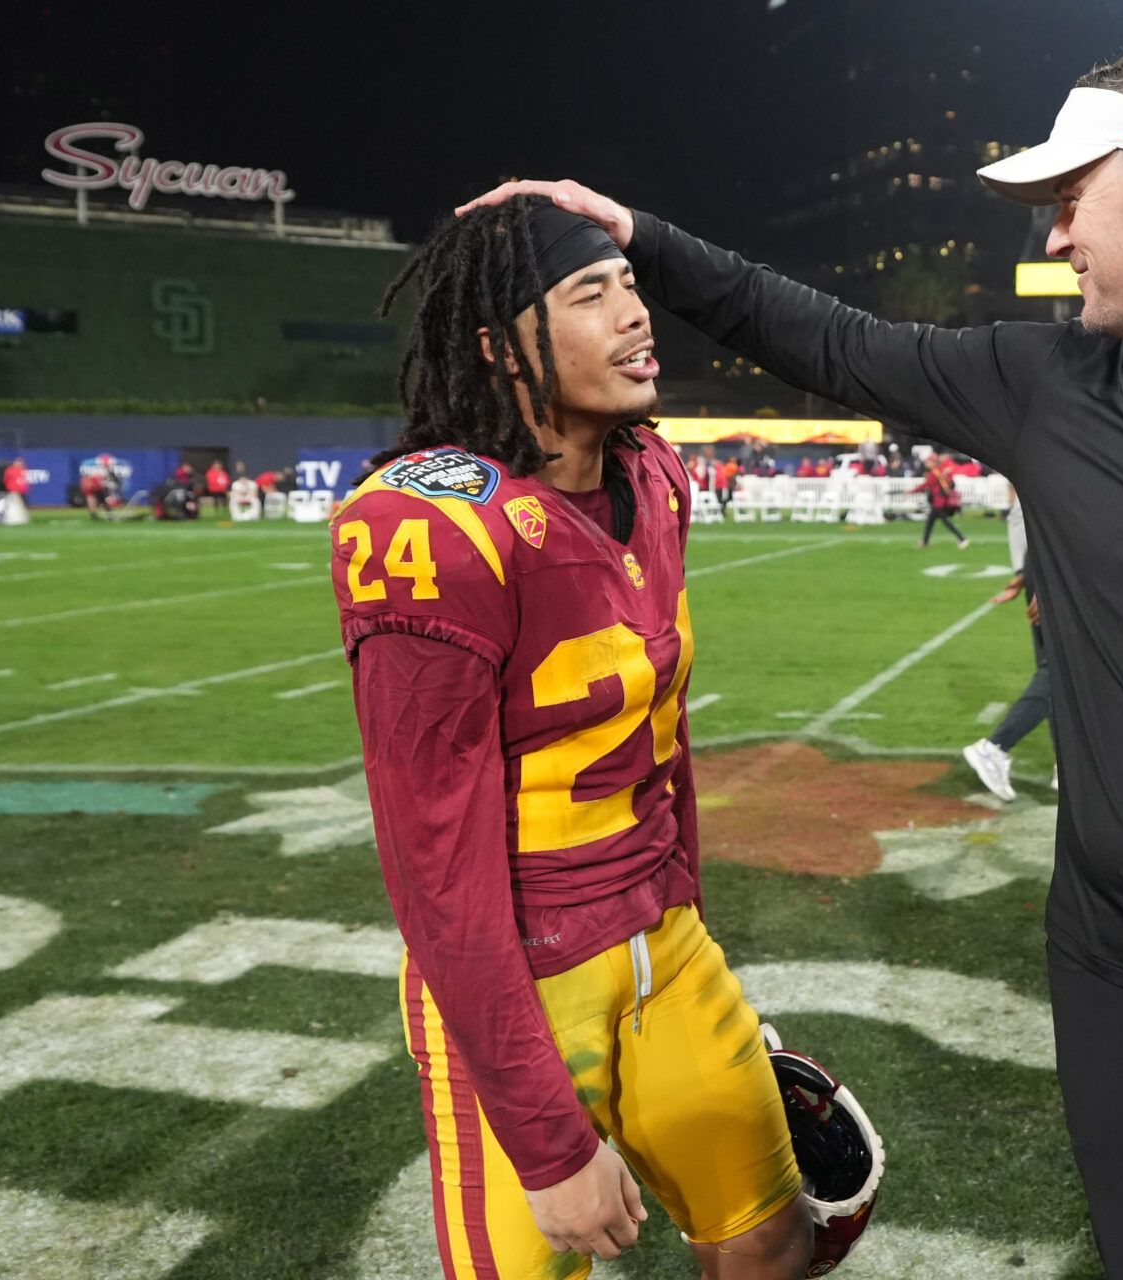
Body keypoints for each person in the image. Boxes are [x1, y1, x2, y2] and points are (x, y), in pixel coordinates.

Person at [465, 36, 1123, 1278]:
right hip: (1113, 990)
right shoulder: (1053, 385)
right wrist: (632, 234)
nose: (1054, 237)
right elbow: (822, 337)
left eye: (1071, 198)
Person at [332, 195, 837, 1280]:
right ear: (496, 345)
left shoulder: (650, 472)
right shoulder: (431, 525)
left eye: (631, 285)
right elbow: (435, 871)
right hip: (520, 976)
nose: (635, 314)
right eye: (589, 293)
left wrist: (685, 903)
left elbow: (668, 747)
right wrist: (551, 1142)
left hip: (665, 939)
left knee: (774, 1238)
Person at [964, 492, 1053, 802]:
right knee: (1062, 672)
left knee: (1056, 671)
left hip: (1045, 565)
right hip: (1056, 569)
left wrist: (1023, 570)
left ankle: (1068, 764)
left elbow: (1019, 514)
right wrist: (1051, 582)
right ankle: (994, 748)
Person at [909, 455, 968, 549]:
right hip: (940, 502)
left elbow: (925, 485)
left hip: (938, 503)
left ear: (932, 462)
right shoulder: (941, 471)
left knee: (946, 523)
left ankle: (962, 539)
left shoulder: (934, 473)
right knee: (930, 522)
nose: (926, 463)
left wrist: (911, 492)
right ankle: (925, 542)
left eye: (928, 461)